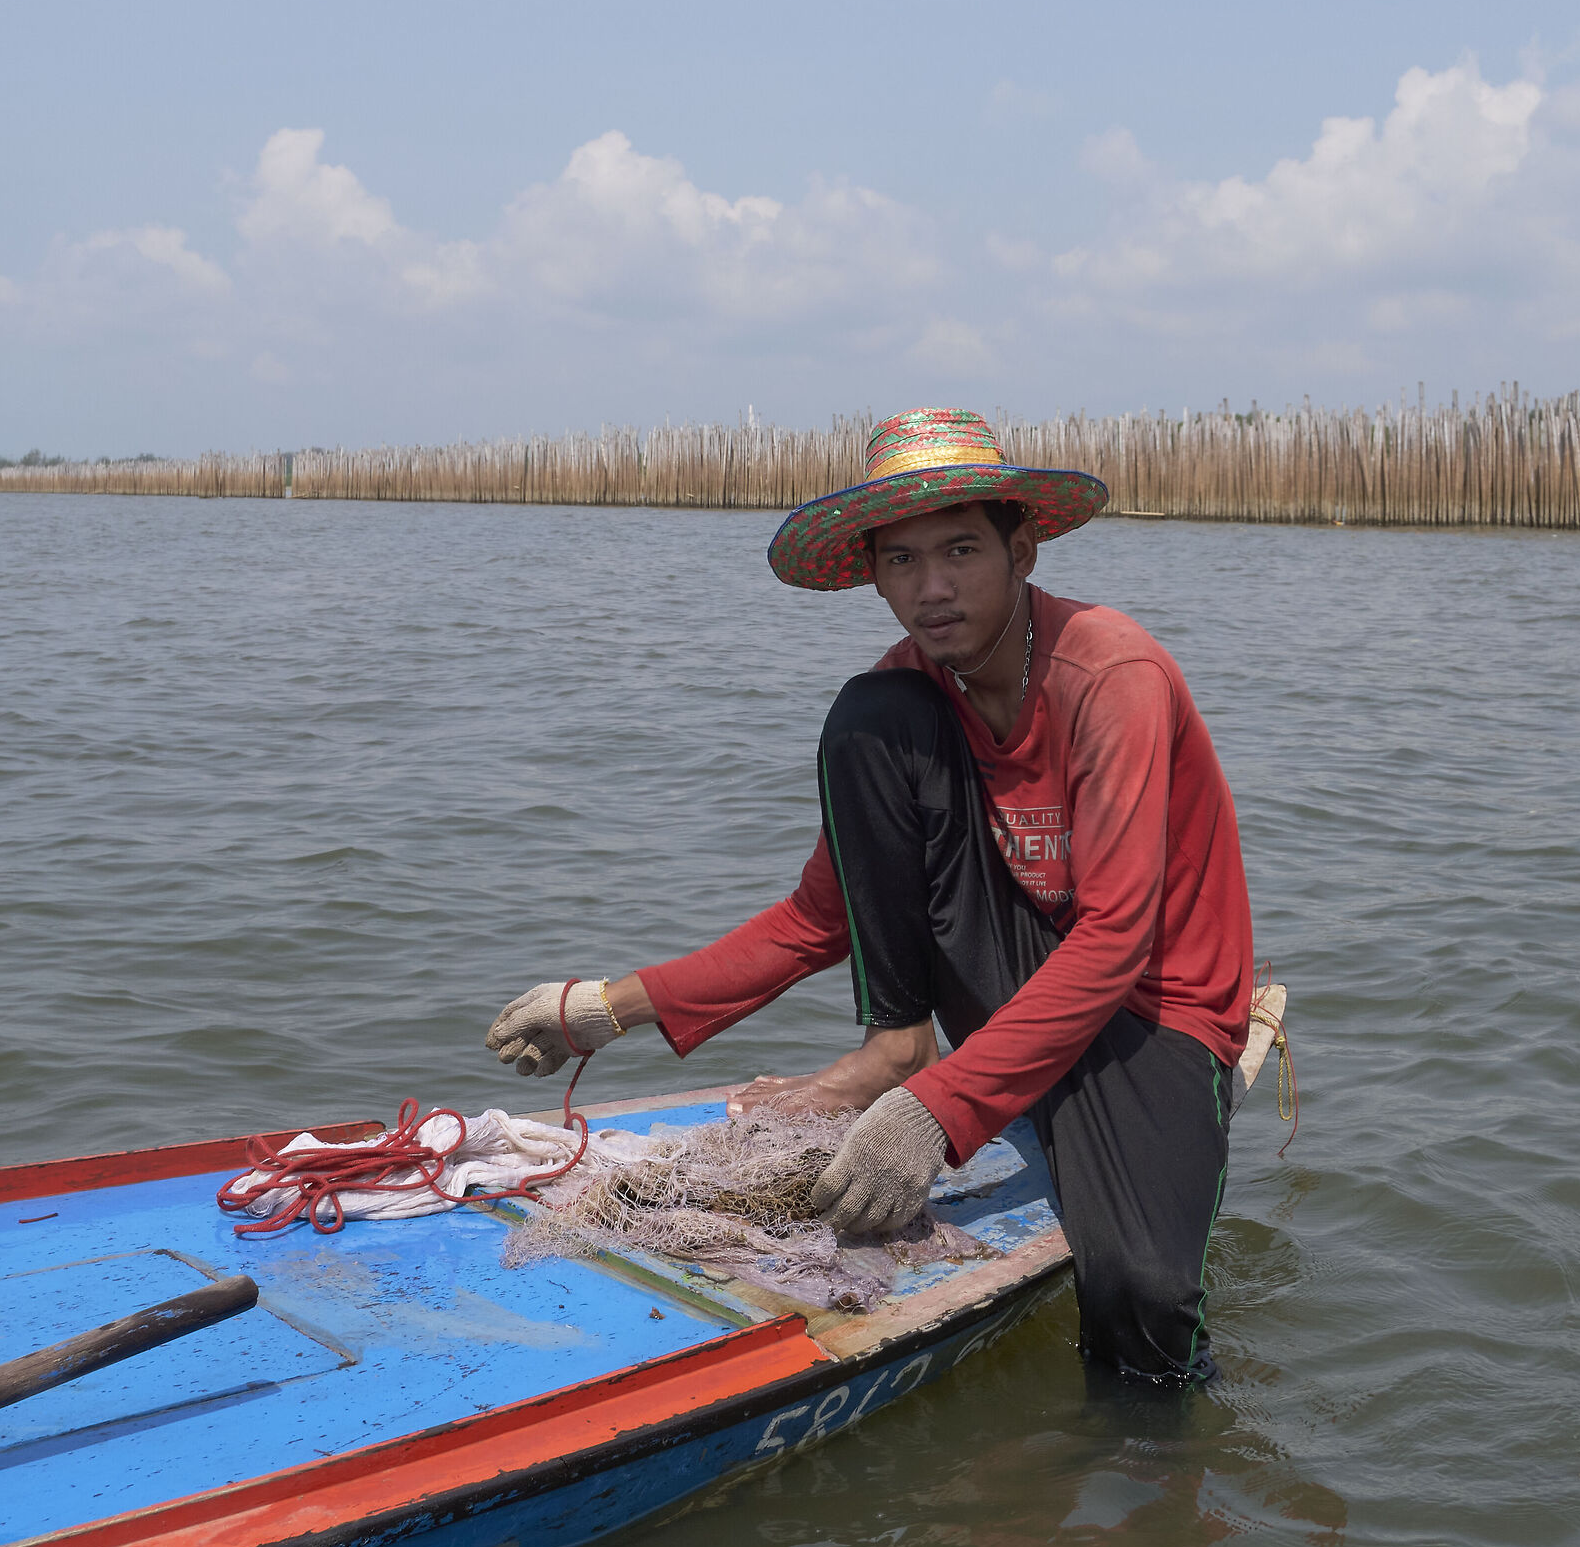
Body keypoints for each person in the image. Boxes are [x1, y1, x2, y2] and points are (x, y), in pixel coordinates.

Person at [484, 408, 1256, 1387]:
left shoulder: (1113, 675)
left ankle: (1157, 1490)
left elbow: (1113, 942)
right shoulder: (912, 692)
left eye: (962, 550)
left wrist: (933, 1114)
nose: (931, 589)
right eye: (901, 562)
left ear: (1022, 547)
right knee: (868, 717)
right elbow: (822, 916)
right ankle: (895, 1044)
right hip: (1017, 978)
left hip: (1152, 1005)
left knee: (1141, 1296)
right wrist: (605, 1007)